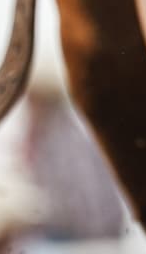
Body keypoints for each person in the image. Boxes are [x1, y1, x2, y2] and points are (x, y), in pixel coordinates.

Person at [21, 67, 126, 242]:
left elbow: (75, 198)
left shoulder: (64, 136)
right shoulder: (46, 135)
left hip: (84, 233)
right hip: (79, 229)